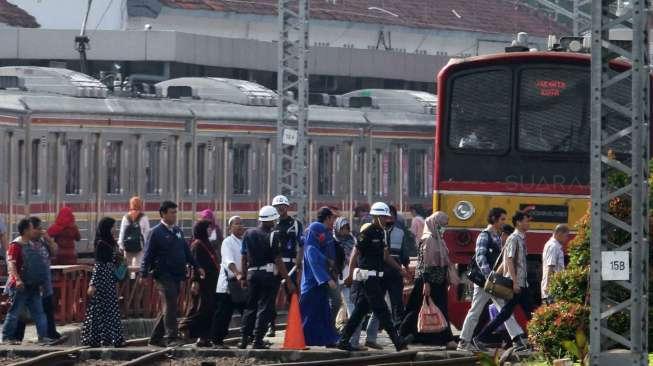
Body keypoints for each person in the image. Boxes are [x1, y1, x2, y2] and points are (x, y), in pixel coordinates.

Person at [336, 202, 410, 352]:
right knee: (383, 311)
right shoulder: (367, 232)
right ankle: (398, 342)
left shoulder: (381, 233)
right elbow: (354, 255)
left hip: (375, 278)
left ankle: (343, 340)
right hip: (367, 279)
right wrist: (350, 275)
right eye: (383, 217)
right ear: (376, 217)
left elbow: (385, 256)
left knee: (359, 312)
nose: (386, 220)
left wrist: (400, 269)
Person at [457, 208, 526, 352]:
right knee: (476, 311)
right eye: (502, 219)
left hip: (494, 282)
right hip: (484, 282)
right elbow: (480, 257)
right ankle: (464, 342)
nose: (504, 222)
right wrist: (489, 276)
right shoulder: (485, 235)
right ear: (494, 219)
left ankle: (517, 339)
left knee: (504, 310)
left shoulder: (497, 236)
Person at [140, 201, 205, 347]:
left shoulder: (178, 231)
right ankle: (171, 337)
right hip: (163, 275)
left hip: (177, 275)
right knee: (170, 305)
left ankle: (155, 338)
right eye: (172, 212)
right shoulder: (156, 232)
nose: (175, 215)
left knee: (168, 306)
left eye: (176, 212)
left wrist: (197, 266)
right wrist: (143, 274)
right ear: (163, 214)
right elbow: (148, 254)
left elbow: (186, 252)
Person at [473, 211, 534, 351]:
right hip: (516, 283)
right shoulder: (514, 239)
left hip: (521, 283)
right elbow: (510, 261)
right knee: (511, 313)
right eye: (526, 221)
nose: (528, 224)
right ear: (518, 222)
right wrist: (514, 281)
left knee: (517, 312)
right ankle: (480, 338)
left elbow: (508, 261)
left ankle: (481, 338)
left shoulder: (520, 239)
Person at [239, 206, 295, 349]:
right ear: (271, 220)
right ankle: (257, 340)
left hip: (252, 274)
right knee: (265, 307)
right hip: (268, 276)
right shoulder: (273, 235)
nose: (275, 222)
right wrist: (288, 281)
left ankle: (244, 339)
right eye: (274, 220)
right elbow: (278, 260)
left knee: (250, 307)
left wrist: (244, 276)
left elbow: (243, 257)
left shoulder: (248, 233)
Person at [399, 212, 456, 348]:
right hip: (428, 281)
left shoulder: (439, 239)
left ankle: (419, 336)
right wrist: (426, 283)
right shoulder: (429, 239)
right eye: (442, 225)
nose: (444, 228)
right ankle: (402, 334)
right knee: (417, 308)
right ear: (435, 223)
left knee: (432, 308)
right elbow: (424, 263)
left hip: (438, 280)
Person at [365, 205, 412, 350]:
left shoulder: (400, 232)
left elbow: (404, 253)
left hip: (394, 273)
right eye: (386, 215)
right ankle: (371, 337)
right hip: (380, 271)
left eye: (391, 214)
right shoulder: (375, 232)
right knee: (377, 306)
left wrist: (405, 268)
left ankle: (399, 336)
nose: (388, 217)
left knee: (397, 304)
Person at [1, 217, 51, 344]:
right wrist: (17, 280)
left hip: (33, 285)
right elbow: (11, 265)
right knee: (14, 312)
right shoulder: (15, 246)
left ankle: (43, 337)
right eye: (31, 228)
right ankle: (6, 337)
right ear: (25, 230)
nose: (33, 230)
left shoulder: (32, 244)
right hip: (20, 286)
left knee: (39, 312)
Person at [81, 217, 125, 347]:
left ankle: (104, 339)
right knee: (105, 309)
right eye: (113, 227)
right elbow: (99, 265)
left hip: (109, 279)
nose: (115, 229)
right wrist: (92, 284)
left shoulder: (109, 242)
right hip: (103, 280)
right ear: (107, 228)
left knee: (103, 309)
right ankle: (108, 339)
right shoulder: (102, 244)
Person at [14, 217, 60, 341]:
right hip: (29, 283)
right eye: (37, 228)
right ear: (29, 230)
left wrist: (49, 240)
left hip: (45, 283)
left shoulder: (43, 241)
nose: (41, 231)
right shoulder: (22, 243)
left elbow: (55, 251)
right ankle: (16, 337)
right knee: (23, 312)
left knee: (47, 309)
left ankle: (50, 333)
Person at [300, 207, 340, 347]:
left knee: (322, 313)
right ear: (327, 218)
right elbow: (313, 257)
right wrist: (326, 278)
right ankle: (306, 339)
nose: (333, 222)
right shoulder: (316, 229)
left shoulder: (324, 233)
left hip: (319, 283)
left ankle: (326, 339)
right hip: (312, 283)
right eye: (332, 219)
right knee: (310, 314)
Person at [179, 221, 221, 347]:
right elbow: (195, 265)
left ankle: (204, 338)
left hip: (211, 282)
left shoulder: (207, 243)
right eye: (208, 228)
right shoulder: (197, 245)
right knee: (201, 308)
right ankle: (184, 325)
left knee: (209, 309)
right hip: (202, 283)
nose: (210, 230)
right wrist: (195, 281)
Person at [267, 195, 304, 337]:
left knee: (292, 293)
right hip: (275, 264)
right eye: (277, 206)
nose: (280, 208)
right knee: (272, 296)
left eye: (283, 206)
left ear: (287, 207)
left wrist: (299, 260)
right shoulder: (271, 224)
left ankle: (295, 325)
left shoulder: (295, 224)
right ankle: (271, 326)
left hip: (290, 264)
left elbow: (301, 244)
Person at [211, 216, 246, 349]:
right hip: (228, 284)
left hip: (240, 284)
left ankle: (251, 337)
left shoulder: (244, 241)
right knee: (223, 314)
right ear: (230, 227)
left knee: (247, 311)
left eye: (241, 224)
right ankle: (216, 341)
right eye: (236, 224)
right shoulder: (228, 242)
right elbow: (228, 261)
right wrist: (237, 273)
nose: (240, 226)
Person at [334, 217, 367, 351]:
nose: (345, 231)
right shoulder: (333, 241)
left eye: (347, 228)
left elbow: (356, 258)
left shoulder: (353, 240)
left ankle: (353, 342)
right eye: (342, 228)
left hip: (350, 280)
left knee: (354, 311)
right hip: (335, 280)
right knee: (332, 309)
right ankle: (335, 337)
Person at [117, 196, 150, 270]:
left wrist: (121, 246)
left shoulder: (126, 217)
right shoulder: (144, 217)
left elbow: (122, 232)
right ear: (140, 205)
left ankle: (130, 280)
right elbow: (147, 232)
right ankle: (136, 280)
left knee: (127, 268)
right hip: (140, 247)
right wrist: (145, 246)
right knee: (139, 267)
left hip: (127, 247)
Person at [541, 224, 568, 304]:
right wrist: (548, 286)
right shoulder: (553, 247)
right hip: (552, 289)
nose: (567, 239)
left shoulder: (553, 245)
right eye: (566, 236)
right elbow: (551, 266)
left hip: (553, 288)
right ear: (559, 234)